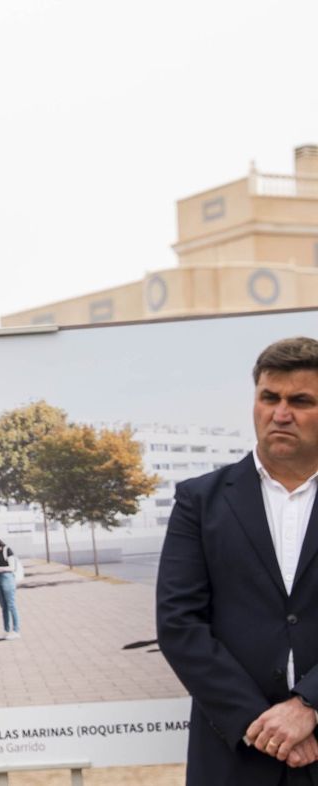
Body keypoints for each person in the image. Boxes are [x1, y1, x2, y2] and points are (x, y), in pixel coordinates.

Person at [158, 336, 318, 784]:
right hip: (237, 754)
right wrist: (261, 724)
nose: (280, 413)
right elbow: (179, 624)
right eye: (270, 397)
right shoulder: (199, 501)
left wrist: (309, 704)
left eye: (300, 401)